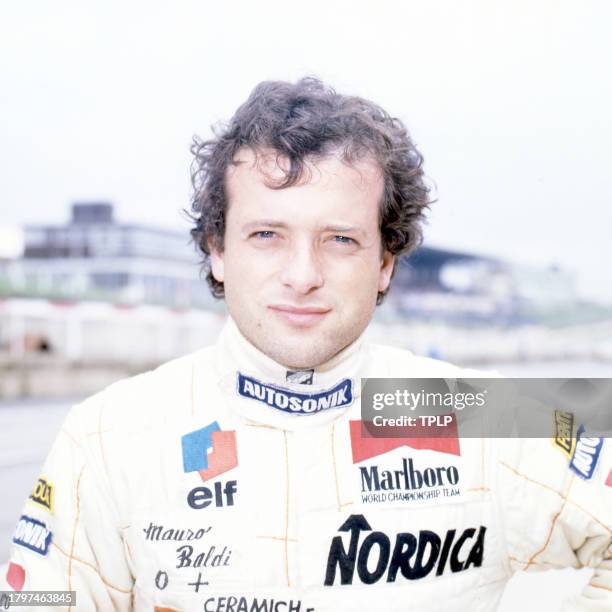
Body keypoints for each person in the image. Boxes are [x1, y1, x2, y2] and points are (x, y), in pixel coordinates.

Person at [3, 78, 611, 611]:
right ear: (218, 249)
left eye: (340, 239)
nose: (302, 274)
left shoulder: (478, 413)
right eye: (267, 233)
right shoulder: (109, 435)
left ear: (385, 264)